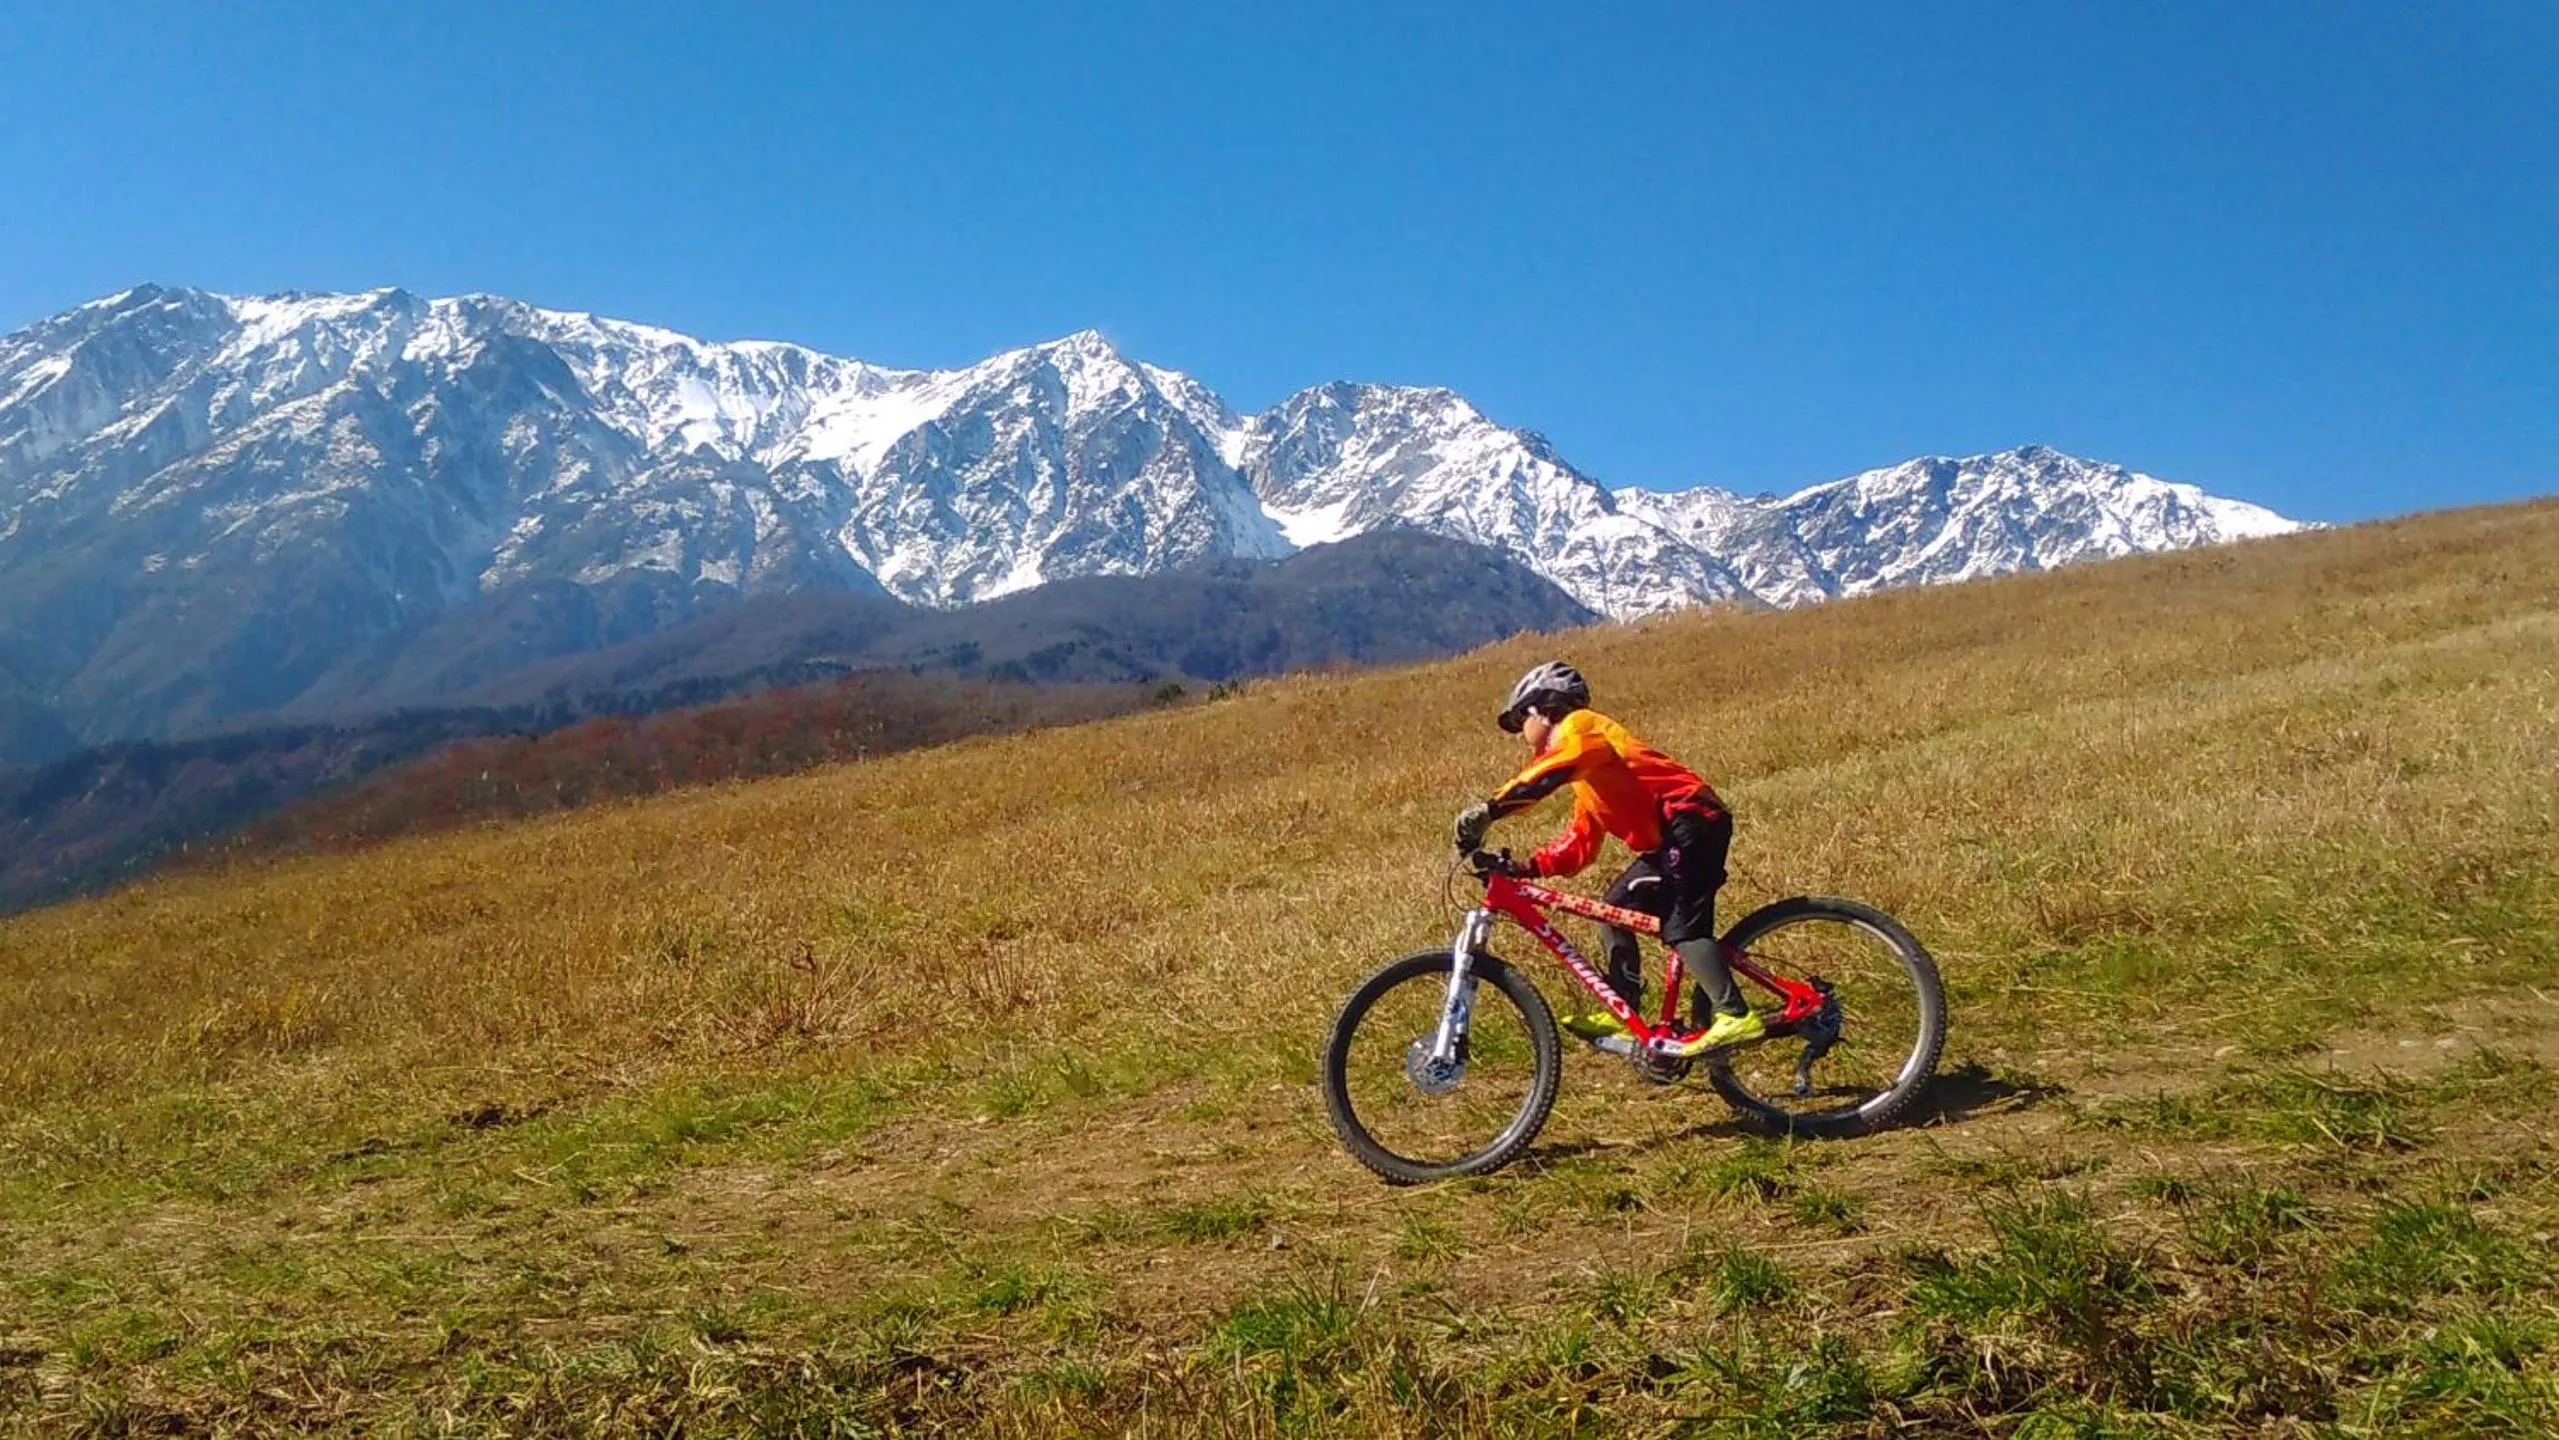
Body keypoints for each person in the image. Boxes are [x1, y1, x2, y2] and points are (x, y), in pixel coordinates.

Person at [1452, 661, 1763, 1057]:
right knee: (1613, 909)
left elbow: (1547, 774)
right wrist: (1527, 867)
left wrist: (1490, 810)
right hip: (1670, 838)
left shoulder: (1581, 727)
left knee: (1683, 925)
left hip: (1692, 822)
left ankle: (1734, 1014)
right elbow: (1580, 843)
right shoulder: (1589, 777)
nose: (1522, 735)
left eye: (1519, 720)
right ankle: (1623, 1006)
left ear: (1539, 709)